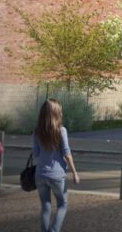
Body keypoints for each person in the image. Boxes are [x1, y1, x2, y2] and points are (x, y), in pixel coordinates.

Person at [33, 98, 80, 232]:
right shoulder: (61, 130)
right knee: (62, 205)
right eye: (61, 111)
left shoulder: (37, 131)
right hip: (57, 175)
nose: (62, 114)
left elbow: (35, 153)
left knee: (45, 206)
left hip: (40, 174)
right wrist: (74, 172)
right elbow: (66, 153)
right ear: (56, 113)